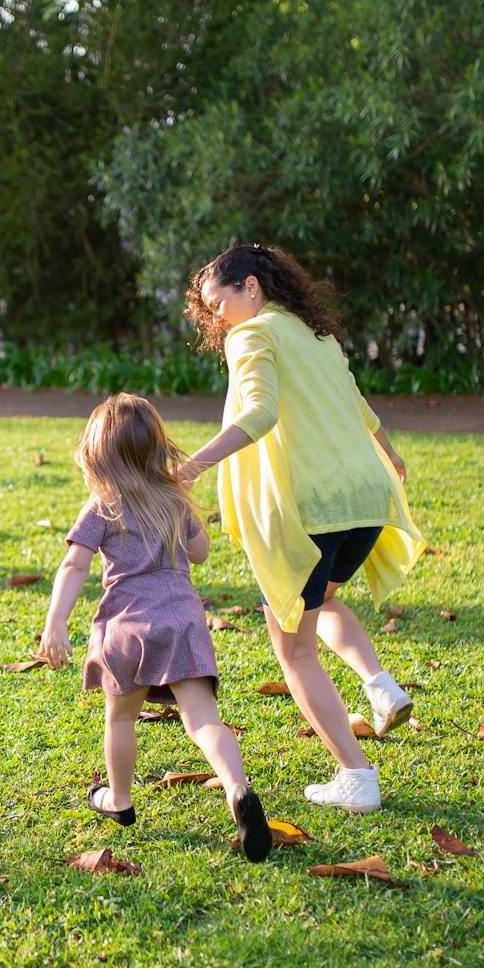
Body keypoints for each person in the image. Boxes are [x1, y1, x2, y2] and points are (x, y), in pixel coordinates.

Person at [175, 244, 425, 815]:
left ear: (252, 287)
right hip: (364, 499)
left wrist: (193, 465)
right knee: (321, 601)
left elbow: (258, 413)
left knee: (294, 650)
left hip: (310, 509)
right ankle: (378, 683)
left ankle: (356, 776)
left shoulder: (252, 334)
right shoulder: (318, 337)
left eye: (220, 303)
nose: (217, 319)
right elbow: (360, 406)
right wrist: (390, 455)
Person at [38, 394, 273, 862]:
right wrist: (188, 510)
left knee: (121, 717)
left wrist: (55, 623)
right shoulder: (174, 499)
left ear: (98, 455)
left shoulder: (102, 505)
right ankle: (238, 789)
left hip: (125, 624)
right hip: (182, 618)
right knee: (203, 720)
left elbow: (73, 565)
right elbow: (201, 552)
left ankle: (119, 801)